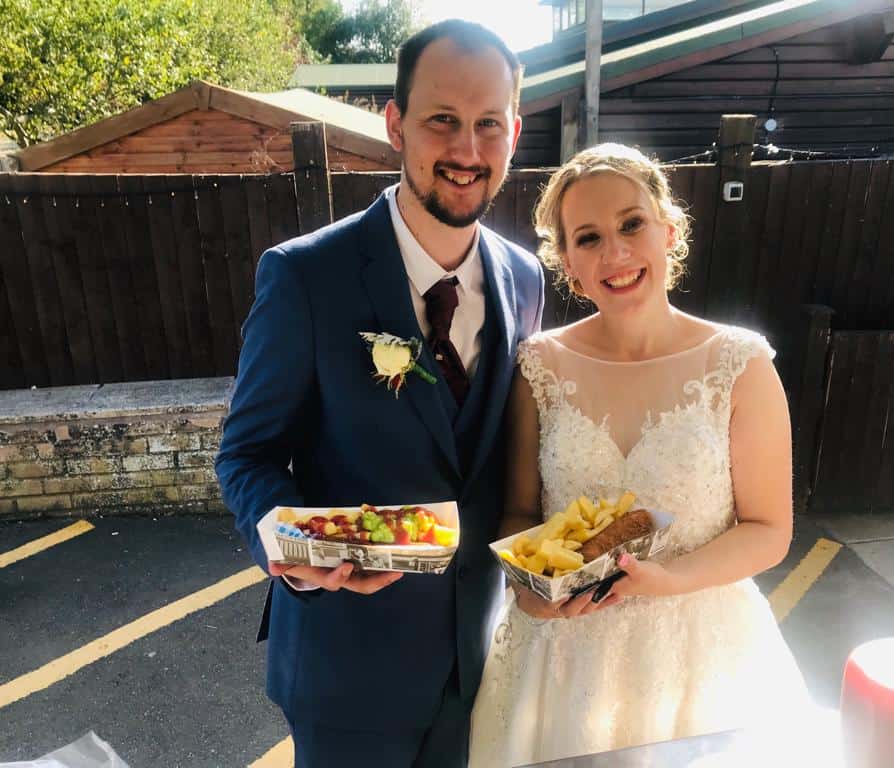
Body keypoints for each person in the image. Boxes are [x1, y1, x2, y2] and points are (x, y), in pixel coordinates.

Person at [214, 20, 544, 768]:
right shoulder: (305, 278)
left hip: (480, 660)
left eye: (488, 124)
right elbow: (248, 455)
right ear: (395, 124)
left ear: (514, 132)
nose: (466, 150)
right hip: (347, 674)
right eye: (442, 121)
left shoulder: (526, 278)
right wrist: (288, 548)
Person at [468, 143, 808, 766]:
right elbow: (519, 513)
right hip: (562, 658)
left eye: (632, 225)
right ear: (568, 262)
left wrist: (666, 581)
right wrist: (526, 589)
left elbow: (769, 530)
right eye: (589, 238)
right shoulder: (539, 366)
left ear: (668, 230)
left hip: (702, 655)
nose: (616, 254)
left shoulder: (740, 364)